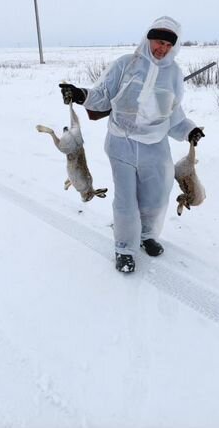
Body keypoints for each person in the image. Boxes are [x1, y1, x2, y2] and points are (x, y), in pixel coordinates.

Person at [60, 16, 204, 273]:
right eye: (159, 42)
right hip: (121, 143)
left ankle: (146, 235)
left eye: (168, 45)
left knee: (158, 196)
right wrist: (81, 94)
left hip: (155, 146)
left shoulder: (173, 75)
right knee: (126, 200)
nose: (162, 49)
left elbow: (172, 114)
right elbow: (103, 96)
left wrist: (189, 130)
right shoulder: (126, 64)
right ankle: (125, 248)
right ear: (148, 39)